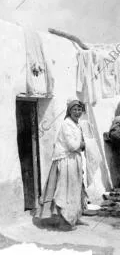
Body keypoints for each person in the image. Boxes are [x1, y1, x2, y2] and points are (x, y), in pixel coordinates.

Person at [38, 99, 88, 231]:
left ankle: (74, 217)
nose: (77, 112)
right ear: (69, 111)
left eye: (79, 110)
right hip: (65, 161)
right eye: (74, 110)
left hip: (73, 160)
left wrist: (82, 145)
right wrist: (83, 144)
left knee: (76, 189)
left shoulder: (76, 124)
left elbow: (78, 145)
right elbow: (72, 146)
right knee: (66, 191)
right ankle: (64, 222)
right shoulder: (66, 124)